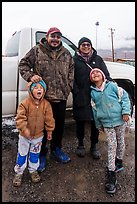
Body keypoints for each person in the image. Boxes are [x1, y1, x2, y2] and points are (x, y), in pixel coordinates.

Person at [18, 27, 74, 172]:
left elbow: (71, 73)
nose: (55, 39)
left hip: (61, 97)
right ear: (47, 37)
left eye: (58, 37)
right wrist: (30, 76)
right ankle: (41, 154)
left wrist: (68, 87)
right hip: (43, 99)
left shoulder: (67, 53)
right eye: (53, 36)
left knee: (58, 126)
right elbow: (23, 65)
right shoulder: (37, 50)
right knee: (41, 128)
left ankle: (57, 149)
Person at [90, 68, 131, 194]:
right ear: (91, 79)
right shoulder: (93, 93)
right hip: (107, 124)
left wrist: (125, 112)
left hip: (119, 120)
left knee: (120, 142)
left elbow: (125, 98)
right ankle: (111, 172)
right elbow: (95, 110)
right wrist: (98, 124)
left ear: (103, 76)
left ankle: (119, 161)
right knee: (112, 145)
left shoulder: (112, 86)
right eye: (92, 74)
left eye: (97, 72)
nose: (95, 74)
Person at [72, 37, 112, 159]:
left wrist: (110, 88)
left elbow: (106, 75)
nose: (86, 46)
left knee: (96, 123)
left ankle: (94, 146)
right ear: (79, 47)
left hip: (97, 97)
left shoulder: (98, 59)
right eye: (83, 44)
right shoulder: (74, 60)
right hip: (80, 96)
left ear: (91, 46)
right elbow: (70, 78)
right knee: (80, 122)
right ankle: (80, 145)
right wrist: (76, 91)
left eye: (88, 44)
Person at [13, 80, 55, 187]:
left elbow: (49, 119)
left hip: (38, 136)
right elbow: (20, 118)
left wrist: (49, 130)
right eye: (36, 88)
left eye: (41, 88)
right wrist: (24, 129)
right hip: (24, 137)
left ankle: (33, 170)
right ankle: (19, 172)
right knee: (22, 154)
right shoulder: (25, 104)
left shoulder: (46, 105)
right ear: (31, 91)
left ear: (44, 91)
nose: (39, 90)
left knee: (34, 154)